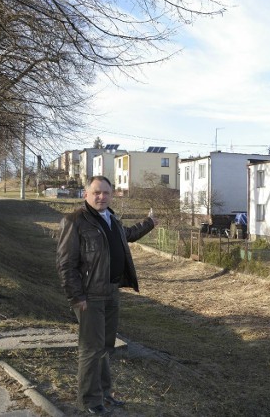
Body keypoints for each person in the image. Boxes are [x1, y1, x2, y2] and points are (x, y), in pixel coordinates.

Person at [56, 176, 158, 414]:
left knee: (106, 347)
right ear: (86, 195)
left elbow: (128, 235)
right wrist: (76, 297)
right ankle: (90, 401)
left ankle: (103, 393)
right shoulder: (75, 221)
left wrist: (150, 222)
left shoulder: (111, 218)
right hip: (89, 296)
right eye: (96, 193)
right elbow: (65, 264)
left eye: (106, 193)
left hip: (111, 292)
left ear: (112, 195)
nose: (101, 197)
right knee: (91, 349)